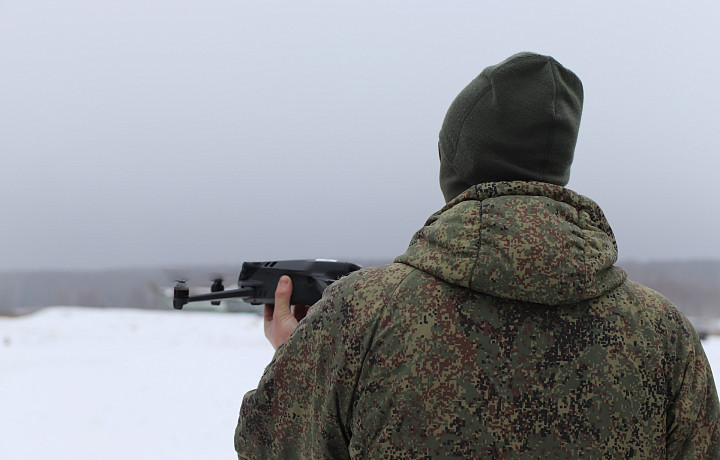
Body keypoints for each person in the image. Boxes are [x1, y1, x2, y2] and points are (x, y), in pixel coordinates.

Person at [235, 52, 720, 459]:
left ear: (458, 162)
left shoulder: (360, 316)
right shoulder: (663, 334)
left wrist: (301, 358)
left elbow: (264, 445)